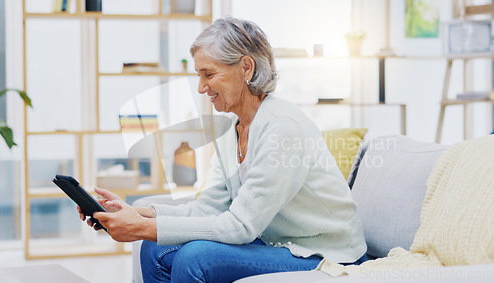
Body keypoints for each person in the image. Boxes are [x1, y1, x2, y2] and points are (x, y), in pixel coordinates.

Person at [78, 17, 367, 282]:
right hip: (275, 241)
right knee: (153, 250)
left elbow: (240, 226)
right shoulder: (232, 128)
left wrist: (141, 228)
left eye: (209, 74)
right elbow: (208, 207)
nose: (202, 88)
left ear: (246, 67)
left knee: (195, 259)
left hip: (323, 252)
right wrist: (139, 213)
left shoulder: (282, 128)